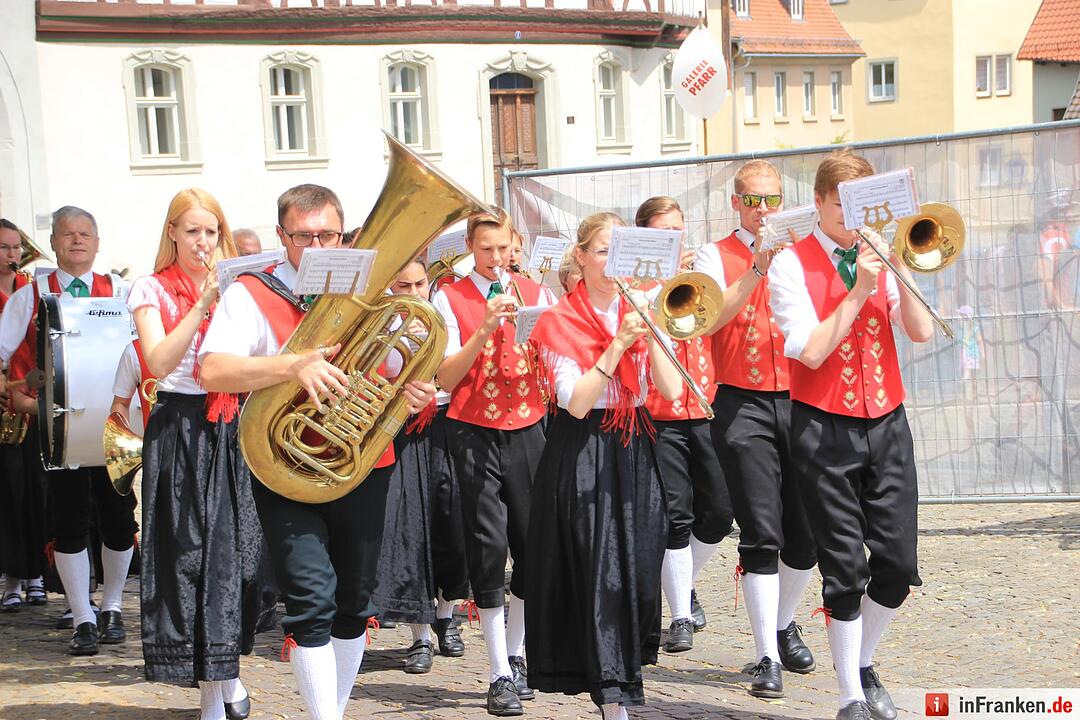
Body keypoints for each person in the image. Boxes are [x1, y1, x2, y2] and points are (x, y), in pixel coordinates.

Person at [199, 184, 436, 720]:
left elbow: (400, 371)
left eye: (326, 234)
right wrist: (291, 365)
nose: (316, 244)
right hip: (284, 465)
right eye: (303, 236)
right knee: (311, 601)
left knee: (354, 601)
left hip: (362, 463)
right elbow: (212, 369)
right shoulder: (250, 294)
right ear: (283, 237)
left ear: (343, 234)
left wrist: (410, 393)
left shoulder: (375, 293)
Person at [767, 150, 934, 720]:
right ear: (819, 202)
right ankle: (849, 696)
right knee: (844, 564)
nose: (852, 217)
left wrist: (900, 266)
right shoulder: (791, 264)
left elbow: (919, 331)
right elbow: (811, 351)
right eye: (842, 206)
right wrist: (859, 289)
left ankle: (860, 660)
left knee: (896, 564)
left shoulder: (877, 256)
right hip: (823, 424)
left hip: (887, 419)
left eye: (862, 206)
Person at [526, 212, 682, 720]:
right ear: (581, 256)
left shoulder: (639, 308)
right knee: (598, 569)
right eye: (601, 251)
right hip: (584, 448)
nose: (610, 264)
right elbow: (574, 401)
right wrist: (616, 345)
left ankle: (623, 677)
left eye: (619, 254)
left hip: (633, 440)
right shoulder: (558, 320)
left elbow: (673, 390)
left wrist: (652, 334)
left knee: (636, 562)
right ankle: (613, 697)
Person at [129, 188, 264, 720]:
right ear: (173, 234)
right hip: (180, 426)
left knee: (238, 561)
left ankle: (227, 676)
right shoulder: (150, 287)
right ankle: (215, 696)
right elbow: (158, 363)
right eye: (192, 231)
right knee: (191, 558)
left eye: (211, 231)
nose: (203, 241)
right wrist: (205, 302)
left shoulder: (237, 285)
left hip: (231, 424)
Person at [694, 160, 819, 698]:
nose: (763, 210)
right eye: (752, 200)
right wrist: (758, 267)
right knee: (761, 530)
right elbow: (710, 319)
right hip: (741, 400)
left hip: (803, 395)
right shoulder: (712, 255)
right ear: (736, 203)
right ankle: (766, 652)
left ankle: (784, 619)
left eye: (771, 200)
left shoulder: (807, 249)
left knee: (807, 534)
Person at [432, 207, 553, 717]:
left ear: (514, 244)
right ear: (469, 248)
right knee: (487, 545)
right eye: (486, 250)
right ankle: (498, 670)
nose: (496, 259)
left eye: (503, 249)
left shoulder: (537, 291)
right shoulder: (448, 296)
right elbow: (443, 376)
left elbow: (553, 356)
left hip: (528, 426)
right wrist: (483, 328)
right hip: (472, 428)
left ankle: (519, 652)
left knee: (531, 545)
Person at [0, 206, 137, 656]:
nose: (77, 241)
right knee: (69, 520)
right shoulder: (31, 292)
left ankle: (113, 606)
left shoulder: (122, 290)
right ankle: (82, 617)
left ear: (98, 243)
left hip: (115, 424)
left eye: (85, 234)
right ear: (54, 243)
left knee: (119, 519)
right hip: (58, 426)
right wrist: (18, 399)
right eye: (67, 234)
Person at [635, 196, 732, 654]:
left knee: (718, 514)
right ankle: (679, 615)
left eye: (678, 229)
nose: (675, 239)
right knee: (677, 515)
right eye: (663, 232)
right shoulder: (637, 288)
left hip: (706, 406)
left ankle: (680, 582)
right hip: (659, 414)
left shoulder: (698, 281)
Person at [373, 257, 468, 674]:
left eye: (419, 284)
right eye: (403, 286)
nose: (414, 294)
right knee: (410, 530)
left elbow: (457, 372)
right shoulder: (380, 324)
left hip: (446, 423)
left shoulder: (443, 315)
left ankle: (448, 615)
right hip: (401, 429)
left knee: (454, 525)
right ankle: (420, 635)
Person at [0, 219, 46, 612]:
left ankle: (36, 574)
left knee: (36, 492)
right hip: (5, 402)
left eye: (16, 247)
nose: (13, 255)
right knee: (9, 495)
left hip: (33, 400)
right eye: (5, 248)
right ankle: (13, 575)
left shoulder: (32, 291)